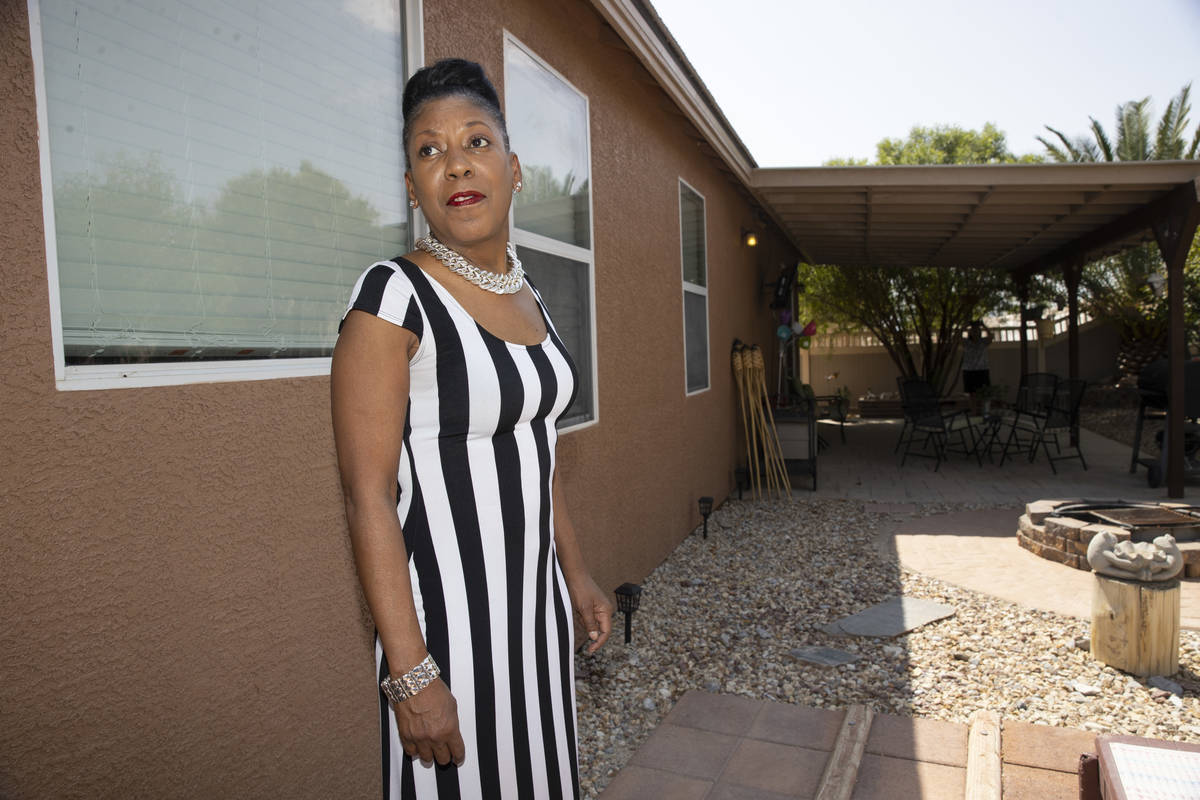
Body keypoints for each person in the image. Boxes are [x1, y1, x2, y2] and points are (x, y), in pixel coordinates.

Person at [331, 58, 613, 799]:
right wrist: (410, 671)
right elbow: (367, 498)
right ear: (412, 188)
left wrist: (574, 573)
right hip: (446, 639)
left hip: (537, 622)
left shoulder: (533, 298)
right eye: (429, 149)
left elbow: (536, 456)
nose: (455, 161)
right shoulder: (393, 298)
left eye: (476, 141)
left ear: (515, 169)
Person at [961, 319, 992, 396]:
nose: (975, 332)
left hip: (982, 369)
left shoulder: (983, 342)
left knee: (984, 393)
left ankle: (984, 408)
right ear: (970, 332)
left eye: (977, 330)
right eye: (973, 331)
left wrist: (983, 326)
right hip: (969, 370)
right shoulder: (966, 342)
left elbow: (991, 336)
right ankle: (973, 408)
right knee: (972, 394)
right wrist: (965, 326)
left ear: (980, 332)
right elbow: (957, 336)